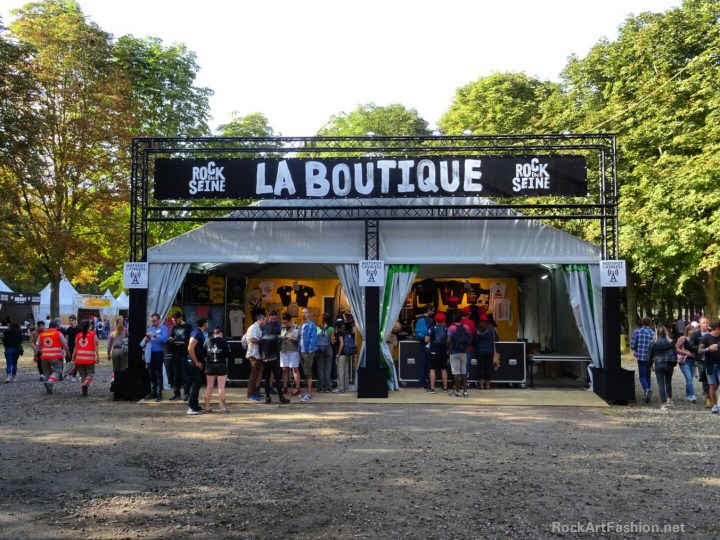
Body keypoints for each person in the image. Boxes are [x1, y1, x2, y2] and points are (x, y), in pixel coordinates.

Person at [37, 320, 70, 394]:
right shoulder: (58, 333)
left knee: (47, 372)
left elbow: (37, 346)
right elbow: (64, 344)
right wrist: (67, 352)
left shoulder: (42, 334)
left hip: (44, 357)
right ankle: (50, 383)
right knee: (57, 371)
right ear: (56, 327)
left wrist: (35, 355)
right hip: (56, 356)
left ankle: (49, 387)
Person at [203, 327, 232, 413]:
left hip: (210, 366)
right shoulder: (224, 341)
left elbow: (203, 353)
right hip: (221, 365)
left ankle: (207, 407)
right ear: (221, 334)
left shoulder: (207, 341)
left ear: (213, 334)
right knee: (221, 387)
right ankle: (222, 408)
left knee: (209, 387)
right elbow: (228, 354)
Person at [260, 322, 289, 404]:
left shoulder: (262, 338)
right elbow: (278, 348)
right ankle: (281, 398)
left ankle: (267, 398)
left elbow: (260, 349)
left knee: (267, 379)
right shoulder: (275, 338)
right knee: (277, 379)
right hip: (273, 359)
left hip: (265, 360)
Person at [167, 311, 193, 402]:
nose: (174, 322)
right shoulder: (174, 327)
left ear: (180, 318)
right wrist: (171, 339)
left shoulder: (188, 326)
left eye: (175, 320)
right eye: (173, 320)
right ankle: (176, 393)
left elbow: (191, 339)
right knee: (176, 374)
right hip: (175, 353)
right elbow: (172, 336)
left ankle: (187, 394)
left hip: (184, 353)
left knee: (186, 375)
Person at [144, 312, 169, 401]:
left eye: (154, 321)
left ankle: (159, 393)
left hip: (158, 353)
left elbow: (164, 339)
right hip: (150, 353)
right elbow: (146, 342)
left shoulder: (164, 328)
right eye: (152, 321)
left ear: (159, 320)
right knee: (151, 373)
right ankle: (153, 391)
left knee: (159, 373)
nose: (153, 322)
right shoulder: (151, 329)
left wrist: (154, 335)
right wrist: (146, 339)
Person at [186, 316, 208, 415]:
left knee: (198, 383)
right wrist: (196, 362)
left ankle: (195, 405)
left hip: (198, 361)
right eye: (207, 322)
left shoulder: (199, 333)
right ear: (205, 323)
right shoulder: (196, 333)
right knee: (196, 383)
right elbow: (190, 348)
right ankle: (191, 407)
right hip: (194, 362)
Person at [447, 312, 472, 397]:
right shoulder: (466, 327)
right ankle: (465, 391)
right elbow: (470, 337)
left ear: (453, 320)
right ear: (461, 319)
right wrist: (467, 345)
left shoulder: (451, 328)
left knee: (456, 372)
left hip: (454, 352)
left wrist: (448, 349)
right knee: (464, 371)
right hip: (464, 352)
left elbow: (448, 341)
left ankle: (457, 391)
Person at [650, 325, 676, 409]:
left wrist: (650, 364)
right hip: (669, 363)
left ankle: (663, 403)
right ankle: (669, 400)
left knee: (660, 384)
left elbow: (650, 354)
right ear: (666, 332)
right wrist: (674, 363)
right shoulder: (671, 341)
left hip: (658, 363)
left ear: (657, 332)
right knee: (668, 382)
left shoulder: (654, 342)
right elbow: (675, 353)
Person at [71, 320, 99, 396]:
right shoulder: (93, 335)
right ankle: (86, 383)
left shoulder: (78, 335)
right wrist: (98, 357)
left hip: (79, 359)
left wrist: (73, 356)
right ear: (89, 325)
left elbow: (75, 348)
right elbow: (95, 347)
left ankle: (83, 389)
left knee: (82, 374)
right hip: (89, 359)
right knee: (90, 373)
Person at [630, 316, 655, 403]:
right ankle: (647, 395)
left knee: (642, 376)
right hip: (650, 357)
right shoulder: (653, 333)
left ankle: (647, 389)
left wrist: (638, 348)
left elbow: (632, 345)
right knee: (648, 375)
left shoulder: (637, 332)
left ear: (641, 322)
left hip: (641, 356)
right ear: (650, 323)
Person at [698, 321, 720, 414]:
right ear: (717, 329)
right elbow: (699, 350)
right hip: (710, 364)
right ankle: (714, 405)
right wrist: (708, 349)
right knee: (712, 385)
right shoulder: (706, 337)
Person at [425, 312, 448, 393]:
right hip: (444, 351)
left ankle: (432, 388)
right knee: (444, 370)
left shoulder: (431, 328)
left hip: (434, 351)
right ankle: (445, 388)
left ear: (435, 319)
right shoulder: (446, 329)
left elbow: (426, 340)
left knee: (432, 369)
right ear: (444, 320)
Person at [245, 313, 267, 401]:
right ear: (261, 319)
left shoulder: (257, 328)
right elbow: (252, 339)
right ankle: (250, 394)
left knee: (256, 374)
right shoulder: (253, 328)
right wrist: (262, 341)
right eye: (265, 320)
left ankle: (254, 392)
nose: (265, 323)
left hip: (257, 354)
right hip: (253, 354)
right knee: (254, 374)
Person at [475, 313, 499, 389]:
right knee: (489, 367)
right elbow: (497, 339)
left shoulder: (478, 329)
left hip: (480, 350)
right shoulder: (492, 328)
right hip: (490, 350)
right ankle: (488, 385)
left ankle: (481, 385)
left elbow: (475, 341)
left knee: (481, 367)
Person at [299, 307, 318, 402]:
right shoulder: (302, 325)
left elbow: (313, 338)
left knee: (308, 373)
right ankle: (308, 392)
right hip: (302, 351)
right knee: (305, 373)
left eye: (305, 313)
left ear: (309, 314)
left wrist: (310, 350)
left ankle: (309, 393)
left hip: (308, 352)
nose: (304, 314)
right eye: (303, 313)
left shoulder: (311, 325)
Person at [690, 317, 711, 406]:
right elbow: (691, 346)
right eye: (704, 323)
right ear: (700, 324)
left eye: (707, 322)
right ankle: (708, 397)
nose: (706, 324)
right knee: (705, 378)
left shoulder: (713, 333)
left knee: (714, 379)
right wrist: (703, 347)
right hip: (701, 360)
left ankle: (712, 394)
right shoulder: (695, 334)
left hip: (713, 359)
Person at [414, 304, 435, 390]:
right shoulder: (430, 320)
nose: (433, 312)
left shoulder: (418, 319)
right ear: (429, 310)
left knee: (422, 363)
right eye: (432, 310)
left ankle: (421, 383)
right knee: (429, 365)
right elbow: (432, 333)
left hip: (421, 343)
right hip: (429, 344)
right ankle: (428, 383)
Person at [279, 312, 301, 396]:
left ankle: (297, 388)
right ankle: (285, 387)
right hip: (283, 350)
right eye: (283, 322)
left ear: (290, 321)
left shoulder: (296, 327)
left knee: (295, 369)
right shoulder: (282, 328)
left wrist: (289, 338)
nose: (285, 323)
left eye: (286, 322)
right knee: (284, 369)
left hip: (293, 350)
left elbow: (298, 340)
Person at [675, 324, 697, 403]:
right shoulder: (683, 338)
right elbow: (676, 348)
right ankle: (692, 395)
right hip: (684, 361)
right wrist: (685, 352)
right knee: (688, 377)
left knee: (690, 379)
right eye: (692, 330)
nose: (693, 331)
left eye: (694, 330)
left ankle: (688, 395)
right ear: (687, 331)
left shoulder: (695, 339)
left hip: (693, 360)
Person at [107, 318, 128, 391]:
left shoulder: (112, 333)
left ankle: (114, 383)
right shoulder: (126, 333)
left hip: (115, 351)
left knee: (116, 369)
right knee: (123, 369)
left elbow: (109, 346)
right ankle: (122, 385)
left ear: (115, 324)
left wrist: (108, 355)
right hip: (123, 351)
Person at [315, 313, 335, 393]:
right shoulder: (331, 329)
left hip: (319, 350)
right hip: (328, 349)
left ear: (321, 320)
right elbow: (332, 342)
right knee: (328, 369)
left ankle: (321, 387)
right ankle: (327, 387)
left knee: (320, 369)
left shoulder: (317, 328)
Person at [63, 315, 81, 382]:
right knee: (68, 361)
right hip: (70, 347)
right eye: (70, 320)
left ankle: (74, 376)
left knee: (75, 362)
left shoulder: (79, 329)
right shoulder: (68, 329)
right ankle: (68, 374)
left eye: (72, 320)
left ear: (75, 321)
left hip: (77, 348)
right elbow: (66, 339)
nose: (71, 322)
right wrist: (66, 348)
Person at [332, 320, 348, 393]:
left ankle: (340, 388)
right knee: (345, 371)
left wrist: (338, 353)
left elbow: (341, 343)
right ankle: (345, 387)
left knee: (340, 371)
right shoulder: (345, 333)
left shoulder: (339, 333)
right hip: (346, 354)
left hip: (341, 354)